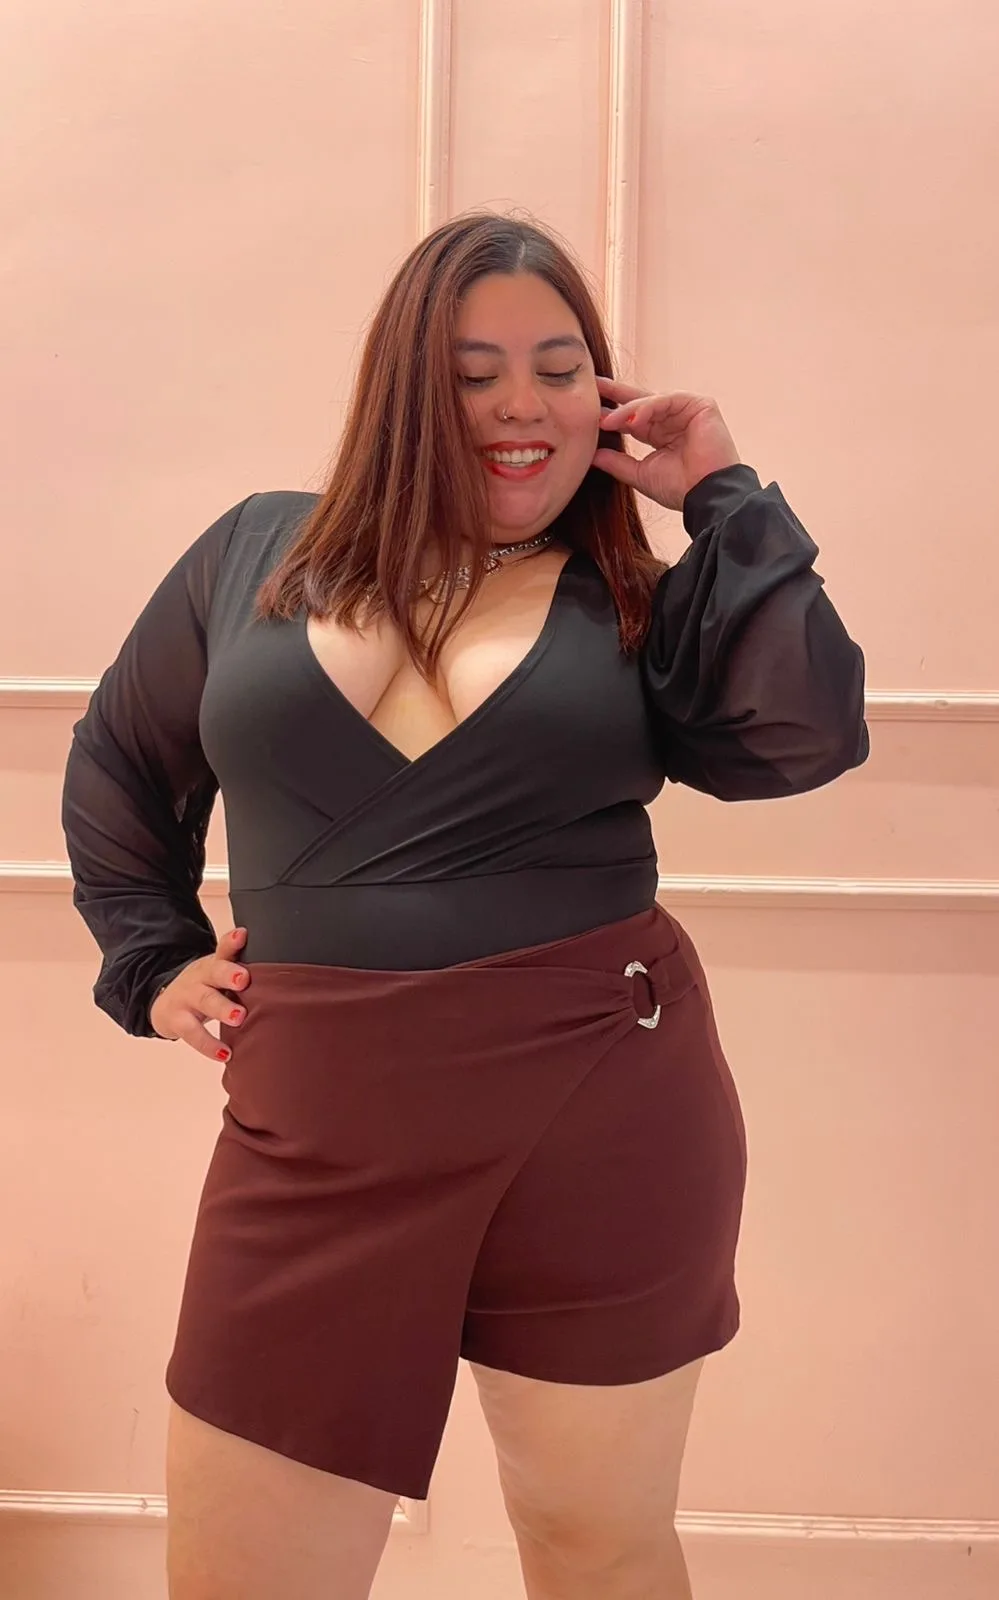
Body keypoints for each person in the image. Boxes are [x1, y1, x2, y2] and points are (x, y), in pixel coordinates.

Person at [60, 211, 869, 1600]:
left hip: (602, 1098)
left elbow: (804, 732)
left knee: (598, 1546)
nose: (521, 405)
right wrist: (152, 957)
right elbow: (122, 760)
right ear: (402, 393)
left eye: (559, 370)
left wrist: (723, 495)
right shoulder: (253, 550)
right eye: (472, 372)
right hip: (318, 1121)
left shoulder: (633, 593)